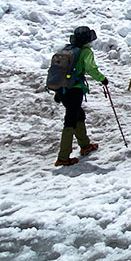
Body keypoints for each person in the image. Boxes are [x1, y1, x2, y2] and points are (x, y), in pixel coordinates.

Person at [55, 26, 108, 166]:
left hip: (62, 89)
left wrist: (57, 92)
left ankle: (85, 145)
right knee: (70, 121)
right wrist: (102, 79)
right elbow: (91, 68)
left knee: (79, 115)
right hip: (74, 90)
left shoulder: (67, 49)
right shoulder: (85, 52)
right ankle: (63, 157)